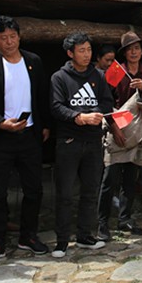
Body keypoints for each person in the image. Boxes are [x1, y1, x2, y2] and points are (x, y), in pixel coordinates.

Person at [0, 16, 51, 264]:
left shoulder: (33, 61)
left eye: (12, 36)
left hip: (29, 134)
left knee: (34, 189)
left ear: (19, 36)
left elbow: (42, 95)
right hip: (1, 137)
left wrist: (45, 124)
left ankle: (28, 236)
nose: (9, 42)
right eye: (3, 38)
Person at [49, 32, 112, 258]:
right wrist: (78, 117)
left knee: (90, 191)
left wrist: (97, 113)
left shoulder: (98, 75)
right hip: (69, 141)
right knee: (65, 193)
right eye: (81, 50)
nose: (86, 55)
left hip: (93, 140)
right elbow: (56, 106)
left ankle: (85, 235)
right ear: (70, 53)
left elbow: (107, 101)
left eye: (89, 50)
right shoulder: (59, 77)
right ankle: (62, 241)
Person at [98, 32, 142, 240]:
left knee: (130, 180)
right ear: (124, 53)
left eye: (137, 48)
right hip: (117, 131)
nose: (133, 52)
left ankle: (125, 218)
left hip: (137, 132)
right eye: (129, 49)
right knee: (109, 180)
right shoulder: (115, 71)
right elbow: (105, 101)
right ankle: (102, 222)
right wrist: (114, 127)